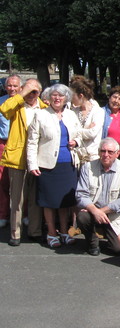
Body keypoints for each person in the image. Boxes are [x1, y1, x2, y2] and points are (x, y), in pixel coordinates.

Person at [27, 83, 81, 248]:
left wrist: (76, 141)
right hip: (47, 165)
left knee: (65, 202)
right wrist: (32, 164)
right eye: (54, 95)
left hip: (68, 164)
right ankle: (51, 232)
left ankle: (64, 231)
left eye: (61, 96)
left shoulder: (71, 115)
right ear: (49, 98)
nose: (57, 98)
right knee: (49, 201)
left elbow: (79, 134)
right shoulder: (40, 115)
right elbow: (32, 141)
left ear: (66, 98)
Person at [0, 78, 46, 246]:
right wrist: (22, 93)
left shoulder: (44, 108)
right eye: (29, 91)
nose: (31, 95)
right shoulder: (17, 105)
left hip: (37, 158)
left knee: (35, 197)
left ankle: (34, 231)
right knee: (17, 197)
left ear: (39, 93)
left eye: (34, 91)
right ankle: (15, 233)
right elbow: (4, 109)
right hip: (18, 157)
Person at [75, 138, 120, 256]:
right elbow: (81, 194)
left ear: (117, 154)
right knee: (82, 216)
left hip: (116, 215)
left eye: (110, 152)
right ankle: (92, 242)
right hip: (94, 211)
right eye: (103, 151)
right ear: (98, 152)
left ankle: (106, 232)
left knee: (117, 249)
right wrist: (94, 210)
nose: (106, 155)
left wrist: (100, 212)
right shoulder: (87, 167)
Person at [0, 74, 22, 228]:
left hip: (20, 144)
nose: (12, 89)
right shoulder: (1, 102)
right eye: (10, 85)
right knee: (2, 180)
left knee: (22, 182)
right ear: (5, 87)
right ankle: (3, 214)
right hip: (3, 143)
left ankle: (24, 214)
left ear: (20, 87)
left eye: (15, 86)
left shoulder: (25, 102)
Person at [70, 75, 104, 164]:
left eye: (72, 96)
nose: (70, 99)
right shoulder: (72, 111)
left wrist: (77, 131)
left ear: (81, 96)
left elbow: (92, 133)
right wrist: (86, 130)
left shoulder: (98, 111)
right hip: (75, 157)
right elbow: (70, 132)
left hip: (91, 157)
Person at [101, 86, 120, 152]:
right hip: (106, 153)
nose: (116, 101)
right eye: (114, 97)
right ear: (109, 98)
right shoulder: (101, 112)